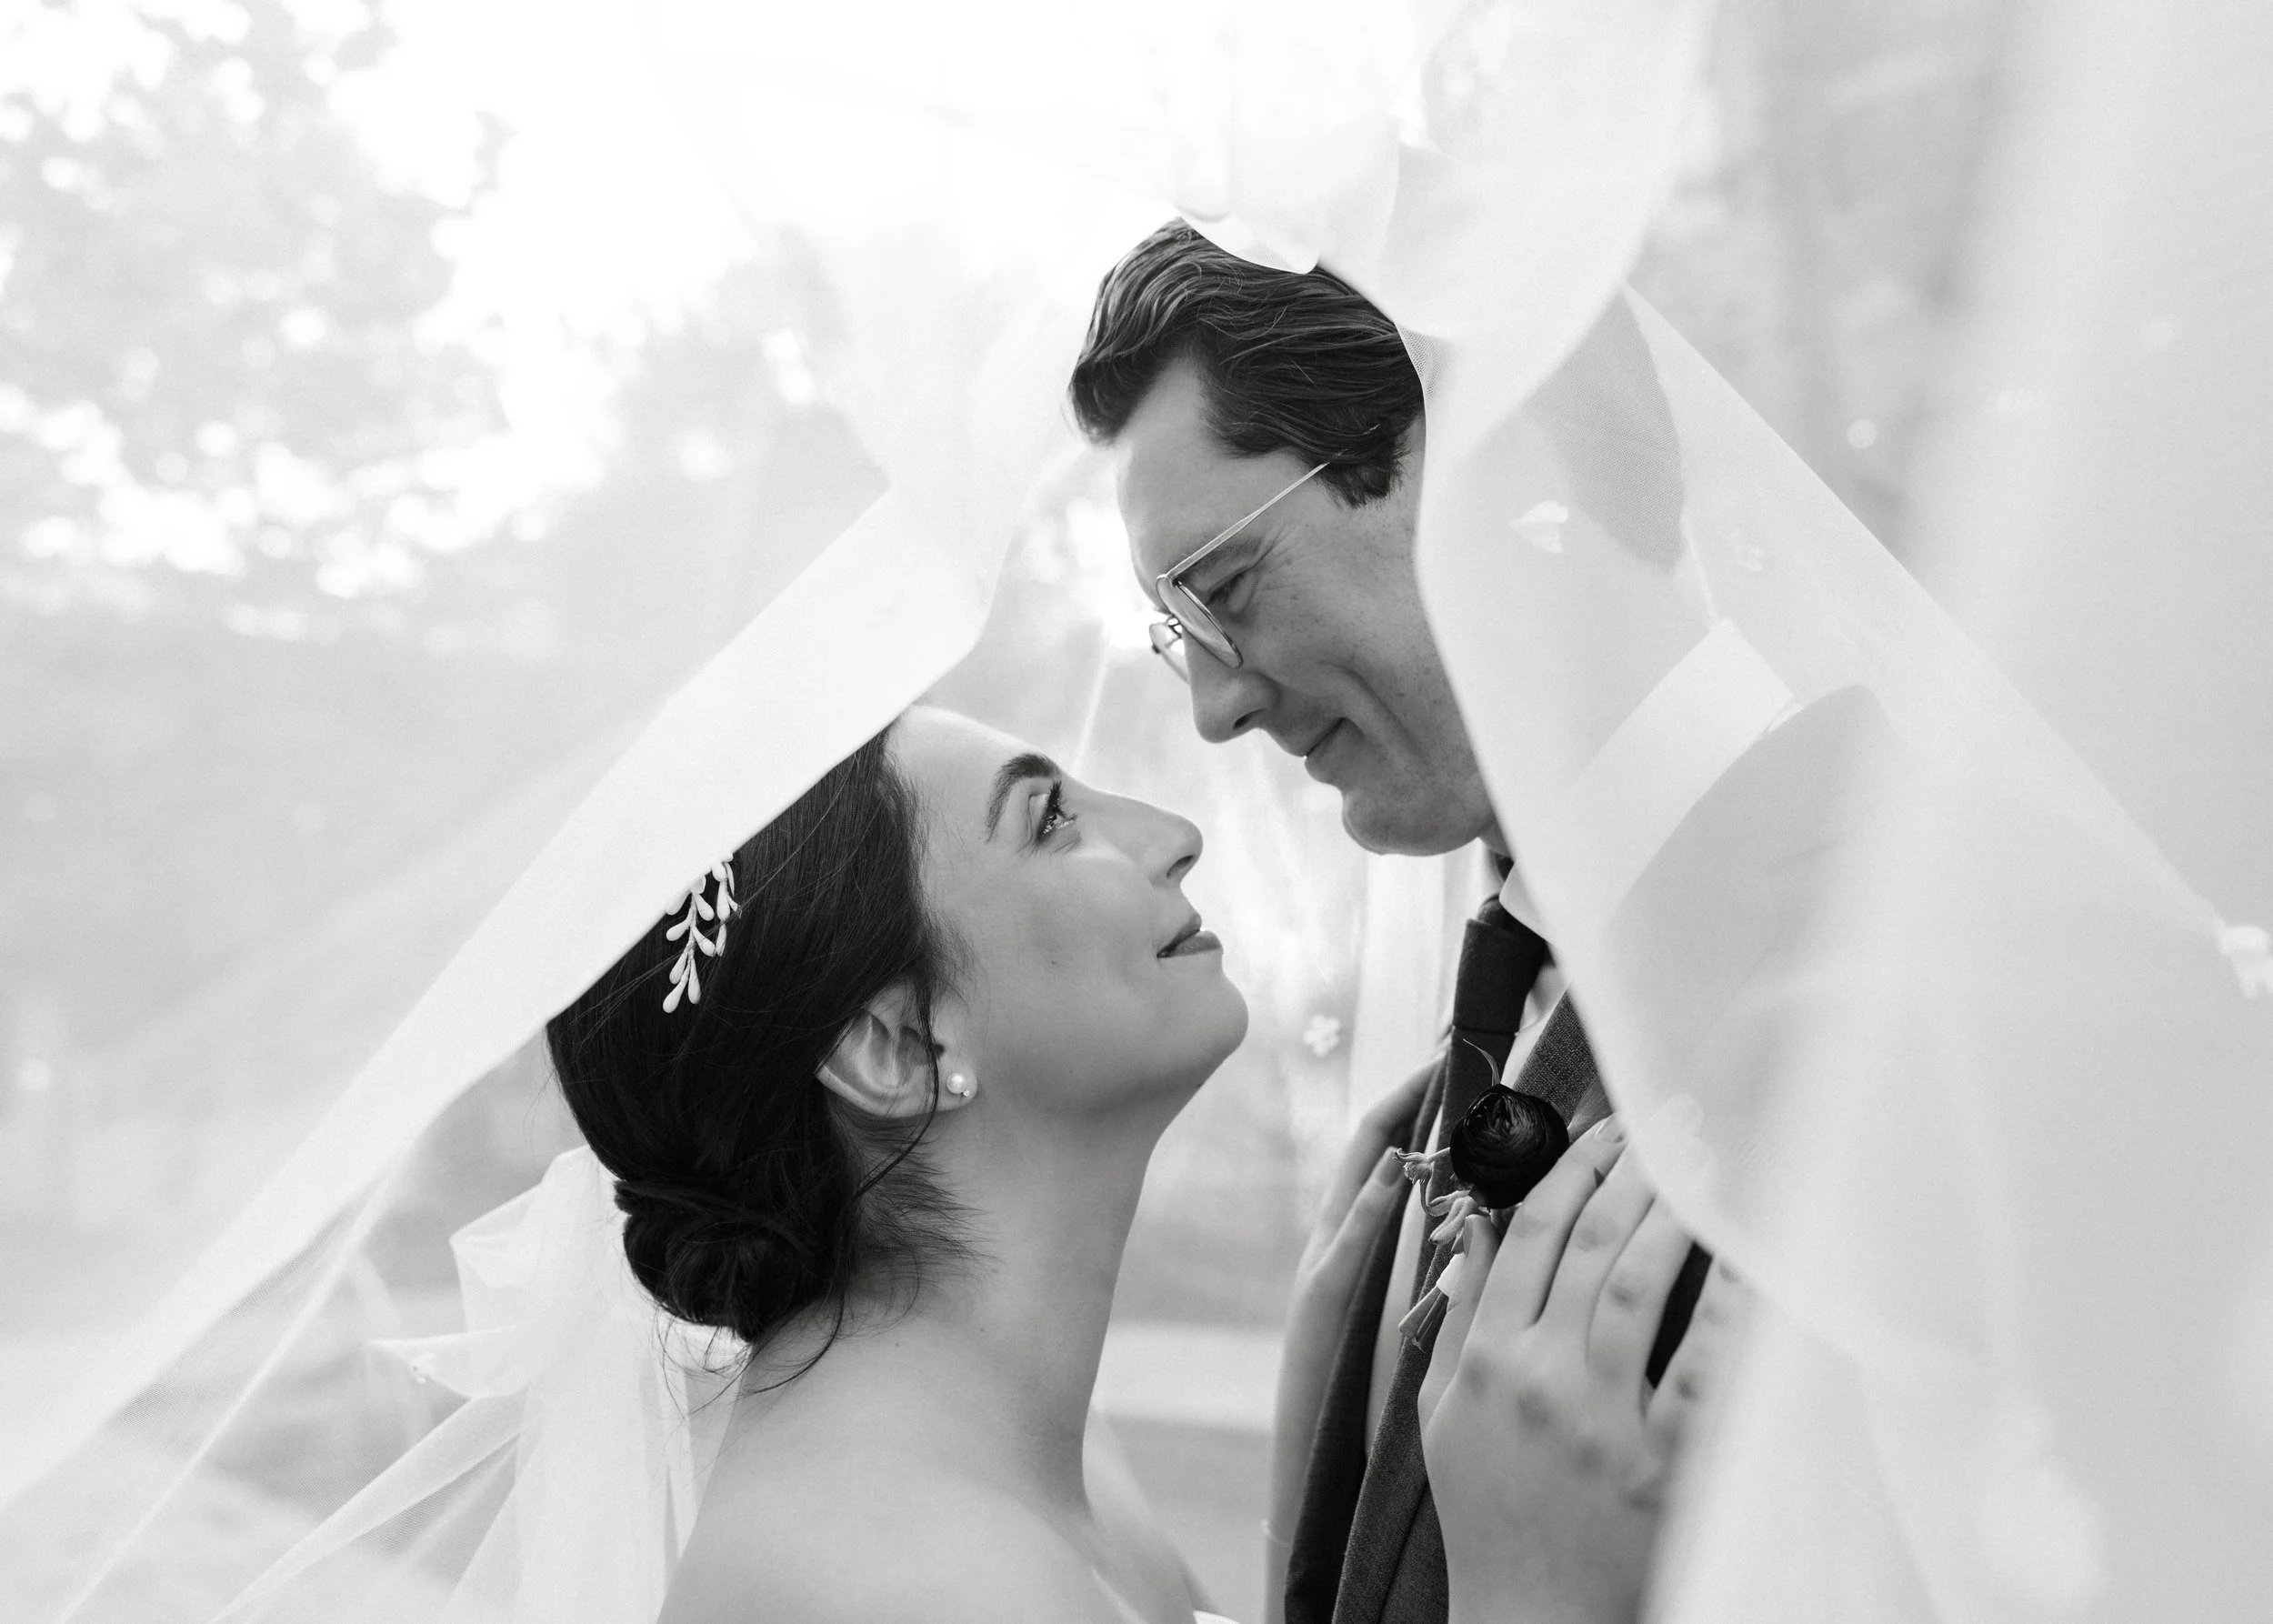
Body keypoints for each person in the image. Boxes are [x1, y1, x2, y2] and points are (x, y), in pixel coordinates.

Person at [541, 705, 1730, 1623]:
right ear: (894, 1047)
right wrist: (1539, 1592)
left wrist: (1322, 1436)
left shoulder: (1019, 1459)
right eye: (1052, 820)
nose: (1172, 833)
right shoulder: (893, 1583)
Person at [1070, 222, 1761, 1624]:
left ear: (1502, 465)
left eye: (1228, 590)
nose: (1216, 706)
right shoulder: (1481, 1033)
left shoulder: (1903, 975)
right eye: (1176, 631)